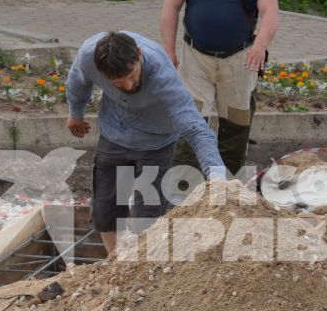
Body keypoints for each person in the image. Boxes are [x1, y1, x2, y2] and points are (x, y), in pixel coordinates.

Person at [66, 30, 225, 256]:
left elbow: (196, 130)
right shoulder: (88, 56)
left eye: (132, 76)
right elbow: (77, 80)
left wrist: (217, 176)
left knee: (147, 219)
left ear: (139, 55)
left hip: (156, 143)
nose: (129, 87)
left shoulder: (162, 77)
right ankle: (116, 263)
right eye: (119, 84)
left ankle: (142, 266)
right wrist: (75, 113)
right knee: (106, 213)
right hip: (115, 134)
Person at [160, 0, 279, 176]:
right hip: (195, 56)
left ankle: (228, 184)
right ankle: (184, 187)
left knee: (236, 124)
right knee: (191, 122)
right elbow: (171, 5)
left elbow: (270, 11)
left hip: (240, 58)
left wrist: (260, 45)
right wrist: (168, 49)